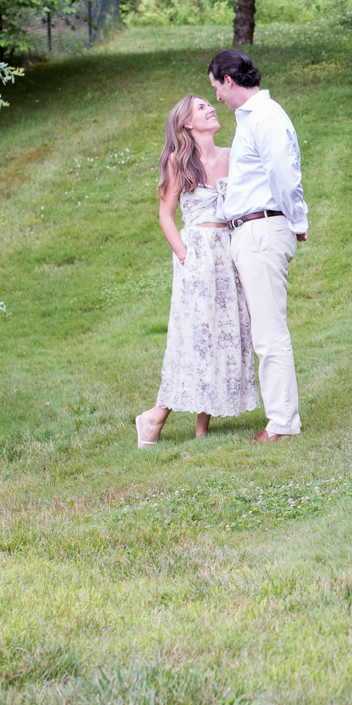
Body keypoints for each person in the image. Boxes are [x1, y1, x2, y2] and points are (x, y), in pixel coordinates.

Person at [135, 95, 260, 447]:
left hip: (229, 250)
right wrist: (185, 256)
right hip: (198, 254)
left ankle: (202, 428)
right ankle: (152, 418)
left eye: (210, 104)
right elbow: (165, 215)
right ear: (188, 122)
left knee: (222, 332)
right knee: (196, 336)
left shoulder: (231, 156)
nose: (210, 109)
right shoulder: (180, 161)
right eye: (202, 107)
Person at [208, 49, 308, 442]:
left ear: (229, 81)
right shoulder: (250, 119)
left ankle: (282, 424)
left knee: (269, 332)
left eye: (216, 87)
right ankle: (281, 418)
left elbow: (285, 177)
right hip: (250, 232)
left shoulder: (265, 118)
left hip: (262, 231)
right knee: (263, 330)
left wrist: (297, 220)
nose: (216, 96)